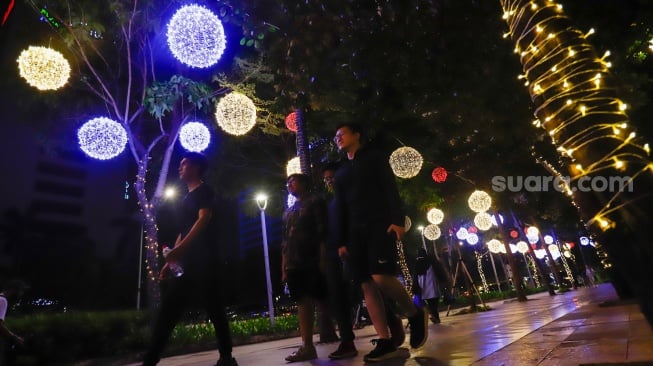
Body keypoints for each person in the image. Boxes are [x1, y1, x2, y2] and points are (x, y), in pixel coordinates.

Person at [333, 123, 428, 362]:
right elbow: (340, 207)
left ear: (357, 134)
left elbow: (389, 189)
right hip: (354, 233)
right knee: (365, 285)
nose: (338, 138)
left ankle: (414, 313)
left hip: (379, 225)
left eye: (342, 133)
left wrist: (397, 220)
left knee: (380, 276)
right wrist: (342, 239)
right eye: (335, 136)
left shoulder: (374, 158)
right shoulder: (341, 171)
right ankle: (384, 340)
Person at [142, 152, 237, 366]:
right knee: (169, 310)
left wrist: (180, 250)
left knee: (214, 309)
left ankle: (226, 357)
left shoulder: (204, 190)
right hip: (186, 264)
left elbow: (204, 218)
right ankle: (150, 359)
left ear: (196, 168)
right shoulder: (185, 198)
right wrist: (171, 261)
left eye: (184, 163)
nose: (180, 167)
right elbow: (183, 231)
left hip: (205, 261)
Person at [322, 164, 406, 360]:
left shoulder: (353, 199)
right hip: (337, 252)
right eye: (326, 179)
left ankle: (394, 323)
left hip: (356, 248)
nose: (330, 181)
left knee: (370, 287)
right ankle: (351, 340)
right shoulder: (333, 203)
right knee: (349, 294)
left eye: (332, 176)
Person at [281, 174, 330, 362]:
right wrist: (284, 267)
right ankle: (307, 346)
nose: (289, 184)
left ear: (305, 183)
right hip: (295, 262)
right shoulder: (289, 211)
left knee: (323, 298)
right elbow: (284, 241)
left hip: (312, 258)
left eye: (293, 180)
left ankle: (346, 338)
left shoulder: (315, 202)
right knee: (302, 301)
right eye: (288, 182)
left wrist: (323, 257)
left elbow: (322, 230)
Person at [414, 248, 449, 324]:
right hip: (432, 285)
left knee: (429, 303)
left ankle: (433, 315)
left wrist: (416, 288)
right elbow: (439, 271)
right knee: (434, 303)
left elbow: (416, 277)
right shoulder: (431, 261)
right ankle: (435, 316)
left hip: (423, 287)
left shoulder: (417, 263)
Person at [0, 280, 27, 366]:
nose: (21, 294)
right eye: (20, 291)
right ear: (13, 290)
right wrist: (14, 338)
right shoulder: (3, 300)